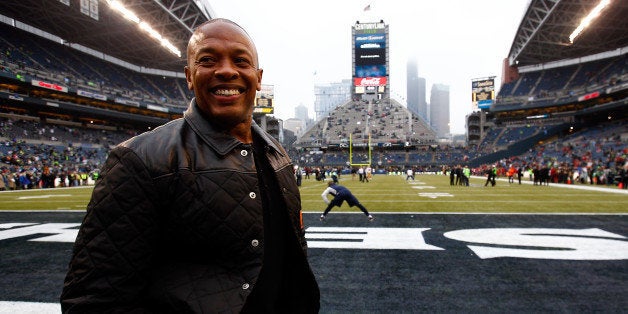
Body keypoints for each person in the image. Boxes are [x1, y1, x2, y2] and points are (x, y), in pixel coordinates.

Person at [60, 18, 320, 313]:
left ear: (258, 77)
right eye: (208, 60)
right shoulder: (140, 159)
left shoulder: (277, 154)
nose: (225, 70)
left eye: (240, 60)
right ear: (189, 76)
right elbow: (93, 300)